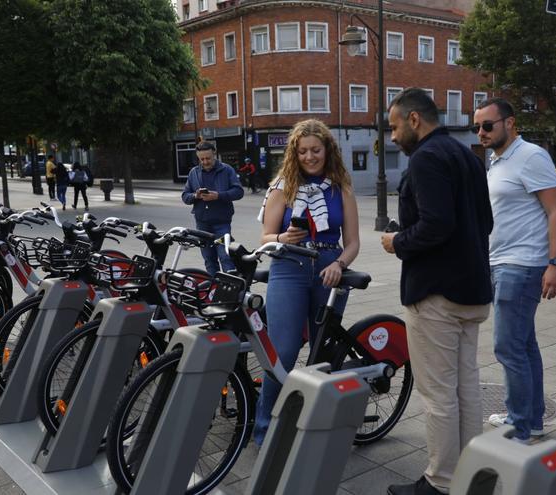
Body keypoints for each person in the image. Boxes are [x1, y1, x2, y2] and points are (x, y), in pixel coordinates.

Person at [380, 88, 493, 495]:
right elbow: (486, 222)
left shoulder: (426, 158)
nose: (392, 137)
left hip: (436, 293)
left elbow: (435, 225)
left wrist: (398, 243)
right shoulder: (468, 155)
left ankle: (442, 482)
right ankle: (471, 473)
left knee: (439, 393)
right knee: (466, 386)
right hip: (472, 288)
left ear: (414, 120)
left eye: (394, 127)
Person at [254, 118, 360, 445]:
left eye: (316, 150)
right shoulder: (282, 186)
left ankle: (318, 424)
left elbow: (353, 241)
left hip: (329, 269)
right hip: (289, 265)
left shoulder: (341, 187)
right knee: (282, 351)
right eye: (302, 152)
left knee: (322, 352)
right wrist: (283, 236)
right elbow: (265, 238)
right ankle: (263, 429)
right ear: (294, 154)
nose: (310, 157)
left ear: (328, 150)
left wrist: (341, 264)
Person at [473, 98, 556, 443]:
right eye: (477, 126)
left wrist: (555, 263)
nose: (481, 132)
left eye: (488, 125)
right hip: (502, 261)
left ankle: (520, 427)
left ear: (510, 123)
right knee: (524, 346)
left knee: (508, 347)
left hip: (522, 264)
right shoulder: (497, 161)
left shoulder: (531, 156)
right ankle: (530, 419)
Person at [181, 141, 244, 275]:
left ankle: (229, 287)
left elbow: (239, 192)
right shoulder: (194, 172)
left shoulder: (226, 170)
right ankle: (214, 289)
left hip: (222, 222)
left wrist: (218, 196)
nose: (205, 161)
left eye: (208, 158)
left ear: (214, 154)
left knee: (225, 256)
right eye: (201, 159)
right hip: (202, 222)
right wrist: (195, 196)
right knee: (209, 259)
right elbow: (185, 196)